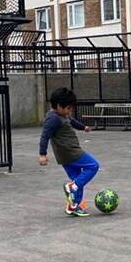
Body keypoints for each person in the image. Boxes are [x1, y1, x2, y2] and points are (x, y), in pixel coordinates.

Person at [39, 87, 98, 217]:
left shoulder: (62, 114)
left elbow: (72, 121)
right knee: (93, 166)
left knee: (77, 179)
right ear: (59, 106)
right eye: (68, 108)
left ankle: (73, 206)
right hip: (71, 152)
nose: (69, 111)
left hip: (64, 155)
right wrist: (42, 154)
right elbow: (45, 135)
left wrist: (83, 127)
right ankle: (72, 187)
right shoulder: (53, 119)